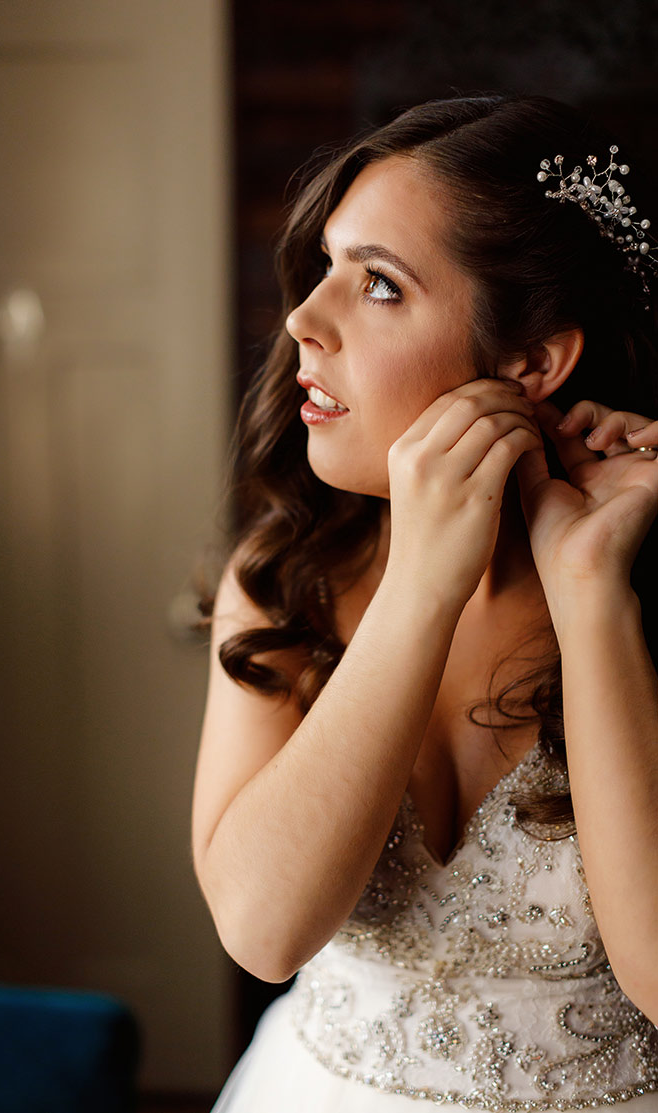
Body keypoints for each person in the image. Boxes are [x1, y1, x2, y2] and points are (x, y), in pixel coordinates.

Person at [192, 93, 658, 1111]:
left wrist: (592, 597)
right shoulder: (283, 576)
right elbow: (263, 933)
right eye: (325, 266)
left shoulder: (631, 590)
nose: (303, 319)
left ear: (532, 361)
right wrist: (420, 582)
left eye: (378, 284)